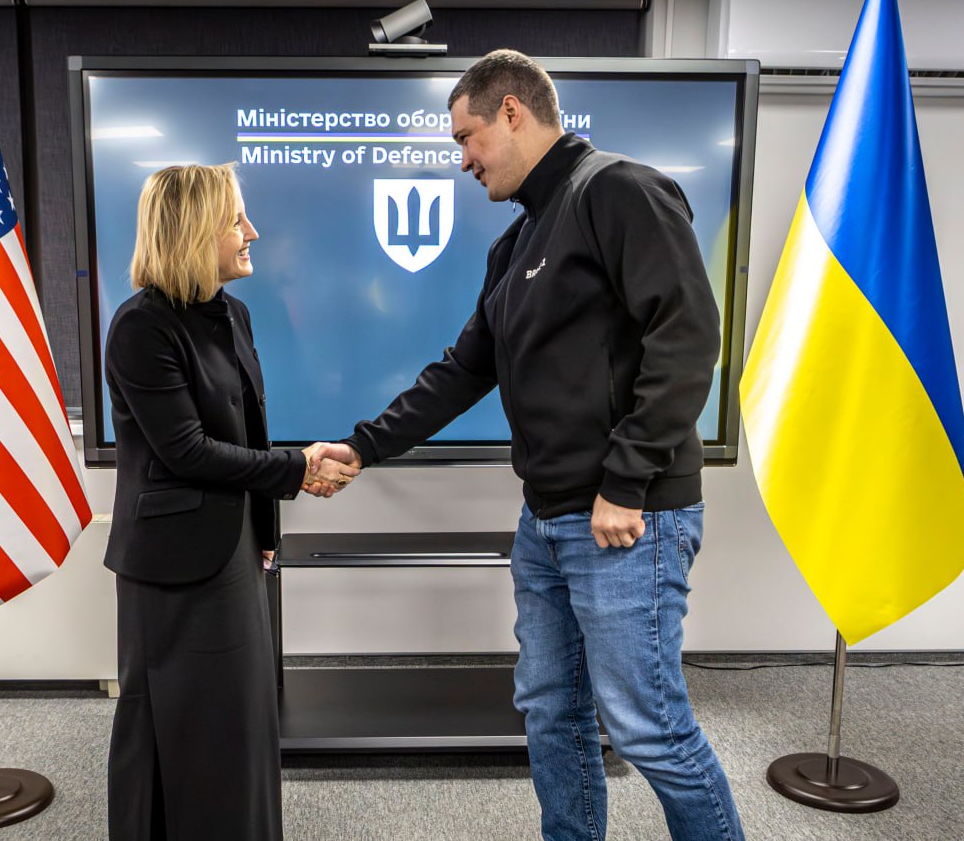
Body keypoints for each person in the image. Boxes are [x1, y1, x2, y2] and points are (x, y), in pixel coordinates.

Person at [312, 50, 744, 840]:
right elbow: (463, 370)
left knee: (648, 726)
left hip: (625, 520)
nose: (463, 160)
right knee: (551, 710)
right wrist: (363, 446)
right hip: (544, 521)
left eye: (466, 137)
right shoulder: (514, 246)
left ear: (511, 111)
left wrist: (625, 480)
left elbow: (687, 339)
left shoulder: (619, 190)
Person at [102, 163, 357, 840]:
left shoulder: (231, 313)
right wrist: (298, 469)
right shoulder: (140, 327)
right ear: (192, 231)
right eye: (235, 220)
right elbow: (186, 451)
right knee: (177, 731)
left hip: (234, 548)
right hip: (173, 569)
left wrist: (265, 528)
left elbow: (247, 428)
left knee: (239, 727)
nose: (252, 232)